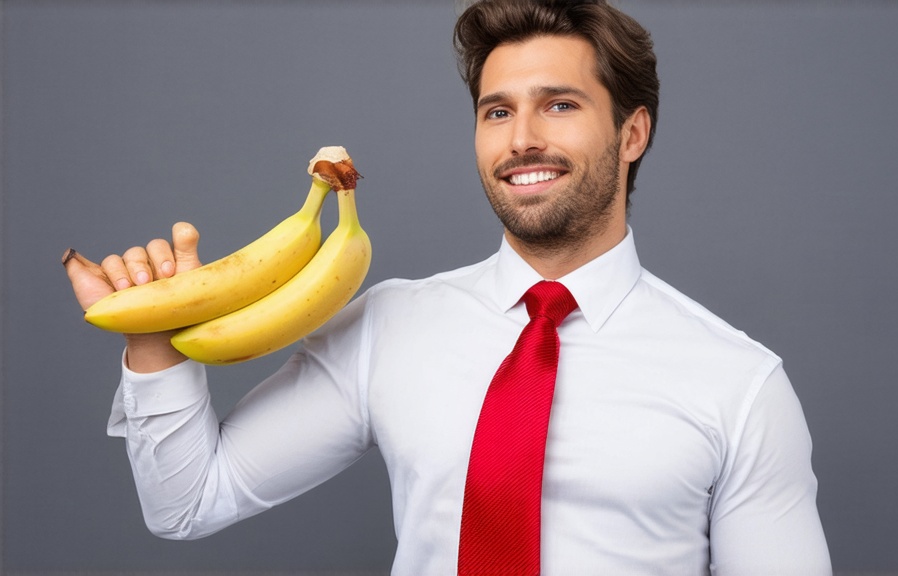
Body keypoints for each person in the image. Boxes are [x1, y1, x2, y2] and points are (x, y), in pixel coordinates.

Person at [63, 1, 832, 574]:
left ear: (632, 133)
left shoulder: (740, 384)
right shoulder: (390, 326)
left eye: (559, 105)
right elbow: (189, 503)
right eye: (498, 111)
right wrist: (154, 339)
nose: (522, 137)